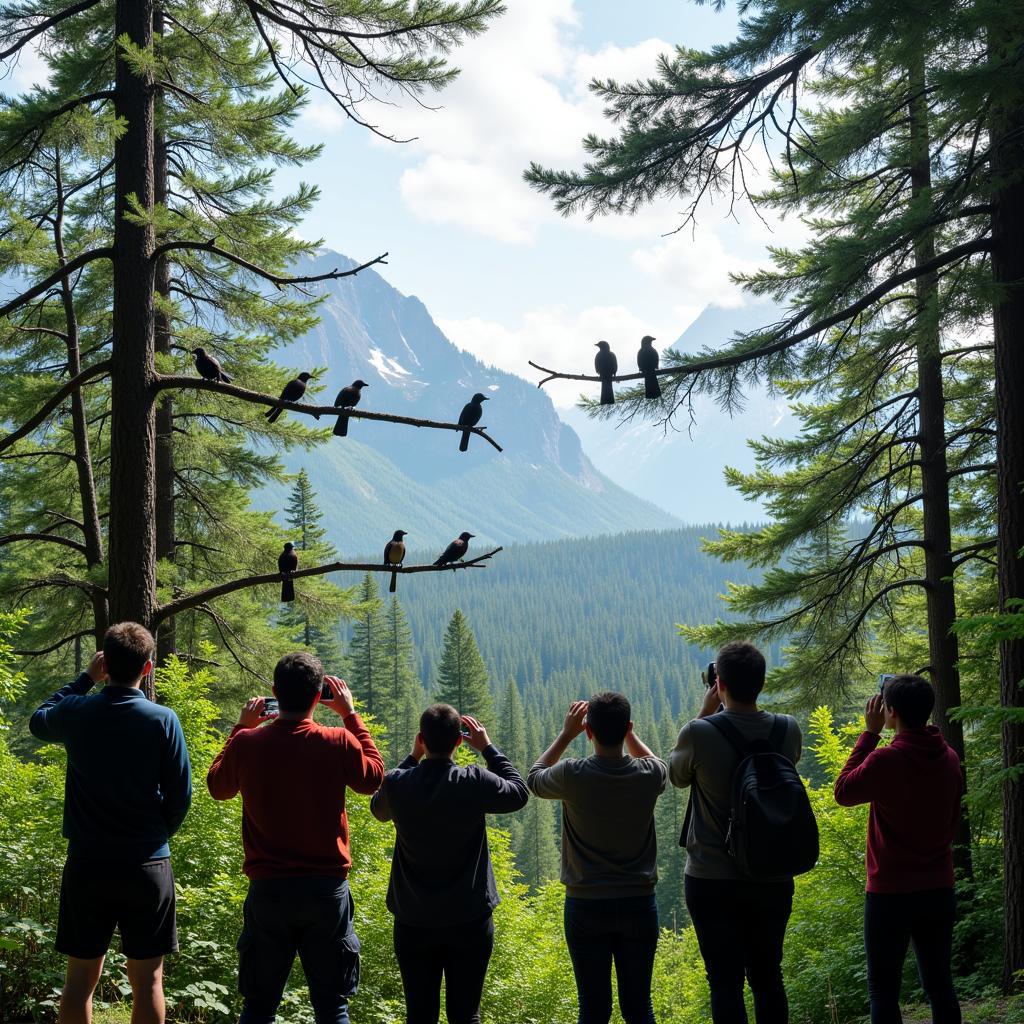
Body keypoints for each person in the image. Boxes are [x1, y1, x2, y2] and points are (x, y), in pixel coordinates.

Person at [206, 654, 384, 1024]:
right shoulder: (337, 741)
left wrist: (240, 727)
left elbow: (218, 787)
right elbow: (373, 778)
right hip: (326, 891)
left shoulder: (248, 743)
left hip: (269, 890)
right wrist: (350, 715)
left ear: (274, 694)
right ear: (319, 697)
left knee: (258, 1006)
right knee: (332, 1007)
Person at [29, 622, 192, 1024]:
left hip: (89, 861)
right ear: (148, 668)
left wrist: (84, 679)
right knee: (150, 981)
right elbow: (180, 796)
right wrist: (155, 835)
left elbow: (38, 720)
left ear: (104, 662)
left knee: (80, 978)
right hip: (148, 864)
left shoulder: (76, 712)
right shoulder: (163, 719)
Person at [669, 641, 802, 1024]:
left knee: (724, 982)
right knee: (767, 976)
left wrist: (705, 713)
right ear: (761, 682)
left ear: (719, 683)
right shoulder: (787, 728)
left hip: (712, 876)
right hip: (772, 873)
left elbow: (677, 777)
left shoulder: (699, 732)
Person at [369, 704, 528, 1024]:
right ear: (459, 742)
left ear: (421, 739)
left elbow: (379, 808)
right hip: (469, 918)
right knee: (466, 1014)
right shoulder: (474, 780)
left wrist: (412, 758)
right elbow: (519, 793)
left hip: (414, 920)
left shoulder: (399, 783)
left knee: (419, 1014)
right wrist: (487, 748)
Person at [528, 692, 667, 1024]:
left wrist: (565, 734)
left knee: (592, 1008)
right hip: (638, 902)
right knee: (638, 1005)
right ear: (628, 728)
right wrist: (629, 733)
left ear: (588, 731)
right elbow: (660, 765)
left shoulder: (572, 774)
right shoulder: (648, 776)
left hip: (586, 905)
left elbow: (534, 778)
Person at [834, 675, 963, 1024]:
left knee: (883, 990)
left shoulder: (886, 760)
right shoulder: (949, 757)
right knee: (940, 985)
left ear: (890, 712)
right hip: (938, 886)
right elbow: (952, 820)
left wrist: (870, 735)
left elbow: (843, 791)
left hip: (890, 892)